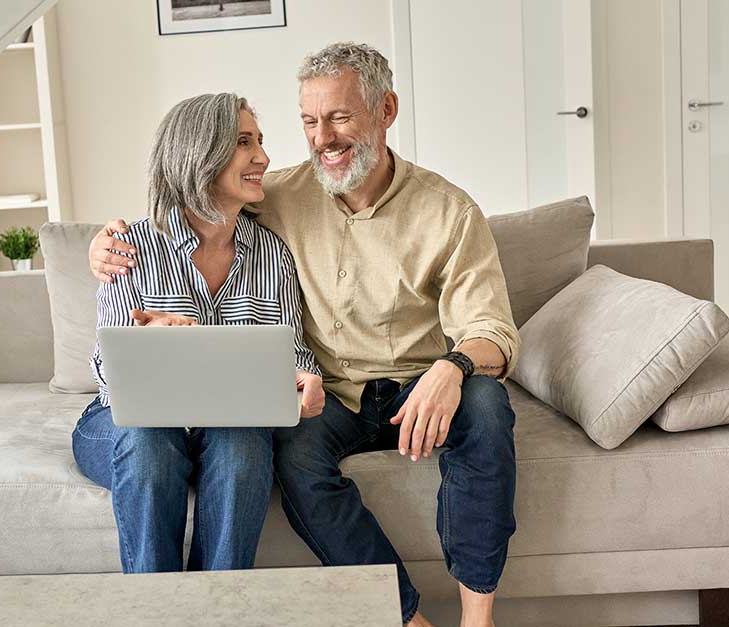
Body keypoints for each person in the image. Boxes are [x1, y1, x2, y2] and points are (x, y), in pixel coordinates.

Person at [88, 44, 519, 627]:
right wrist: (113, 263)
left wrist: (451, 367)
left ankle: (476, 617)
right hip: (309, 404)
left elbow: (489, 328)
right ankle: (400, 618)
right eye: (309, 123)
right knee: (224, 449)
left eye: (339, 117)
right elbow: (117, 361)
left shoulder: (441, 212)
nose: (320, 140)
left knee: (485, 406)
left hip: (416, 388)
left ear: (386, 109)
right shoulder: (246, 209)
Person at [71, 92, 326, 575]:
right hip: (127, 424)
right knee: (149, 443)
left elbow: (292, 353)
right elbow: (109, 378)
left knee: (245, 444)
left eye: (261, 141)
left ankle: (218, 609)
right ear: (200, 153)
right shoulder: (132, 247)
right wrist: (146, 340)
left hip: (226, 425)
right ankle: (155, 611)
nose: (264, 157)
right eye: (244, 143)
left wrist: (307, 381)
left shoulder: (271, 253)